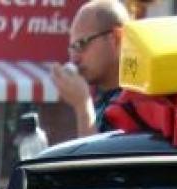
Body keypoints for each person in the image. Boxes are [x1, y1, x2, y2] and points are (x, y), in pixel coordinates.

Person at [51, 0, 127, 136]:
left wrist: (82, 106)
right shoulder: (104, 100)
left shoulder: (140, 100)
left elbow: (100, 157)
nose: (74, 59)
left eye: (82, 44)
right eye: (72, 48)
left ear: (116, 38)